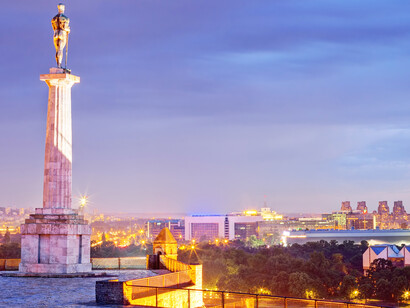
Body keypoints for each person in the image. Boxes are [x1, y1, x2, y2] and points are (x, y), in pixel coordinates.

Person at [51, 3, 70, 68]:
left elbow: (54, 28)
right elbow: (65, 27)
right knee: (60, 49)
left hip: (56, 33)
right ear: (63, 9)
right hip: (62, 33)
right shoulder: (65, 18)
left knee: (57, 50)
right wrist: (68, 30)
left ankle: (58, 64)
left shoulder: (54, 18)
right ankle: (59, 65)